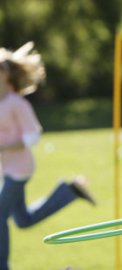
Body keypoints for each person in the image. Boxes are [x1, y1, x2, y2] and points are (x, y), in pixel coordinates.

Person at [0, 42, 96, 270]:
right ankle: (70, 191)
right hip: (6, 168)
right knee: (22, 220)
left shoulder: (17, 104)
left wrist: (5, 147)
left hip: (20, 169)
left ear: (5, 74)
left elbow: (33, 135)